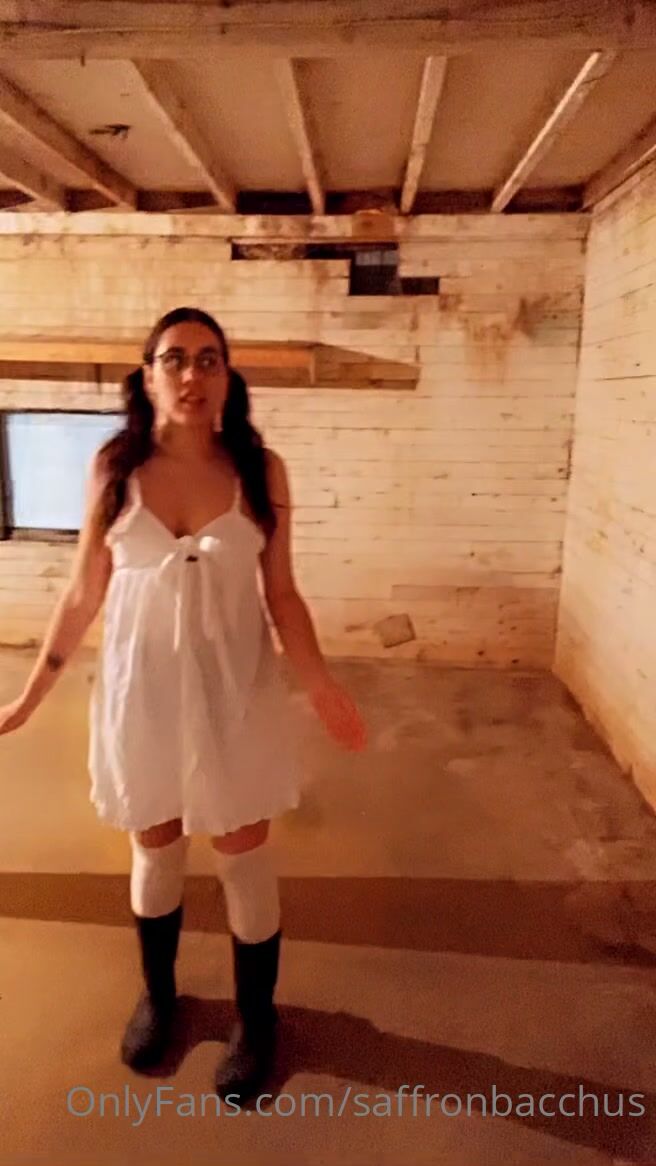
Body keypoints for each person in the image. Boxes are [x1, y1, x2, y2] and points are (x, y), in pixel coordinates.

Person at [0, 306, 367, 1101]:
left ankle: (256, 1021)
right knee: (156, 845)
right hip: (142, 693)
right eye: (174, 358)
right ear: (148, 375)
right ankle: (160, 998)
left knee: (244, 855)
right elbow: (83, 592)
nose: (191, 374)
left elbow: (282, 594)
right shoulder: (114, 466)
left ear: (227, 377)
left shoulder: (260, 471)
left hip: (236, 692)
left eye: (208, 359)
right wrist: (30, 693)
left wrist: (320, 683)